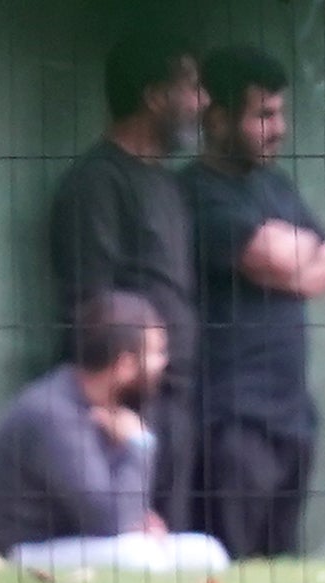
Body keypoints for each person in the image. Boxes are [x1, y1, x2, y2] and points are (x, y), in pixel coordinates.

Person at [182, 46, 325, 559]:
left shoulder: (276, 185)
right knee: (234, 568)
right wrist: (296, 257)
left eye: (281, 112)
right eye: (263, 115)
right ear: (219, 117)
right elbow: (279, 255)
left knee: (279, 573)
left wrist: (288, 259)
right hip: (233, 422)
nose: (279, 128)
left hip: (292, 416)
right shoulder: (195, 191)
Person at [49, 30, 207, 532]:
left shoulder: (167, 183)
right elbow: (89, 302)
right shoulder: (96, 183)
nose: (203, 102)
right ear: (156, 96)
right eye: (192, 87)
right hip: (127, 406)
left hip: (176, 399)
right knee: (127, 548)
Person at [0, 292, 229, 573]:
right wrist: (140, 445)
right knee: (141, 558)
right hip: (20, 550)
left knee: (209, 552)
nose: (163, 362)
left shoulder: (105, 406)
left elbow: (109, 508)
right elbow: (107, 520)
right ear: (125, 364)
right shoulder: (53, 413)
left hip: (83, 541)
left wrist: (138, 518)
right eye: (155, 353)